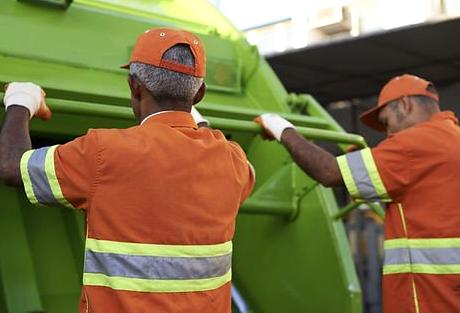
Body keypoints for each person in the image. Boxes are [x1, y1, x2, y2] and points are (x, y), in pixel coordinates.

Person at [0, 27, 254, 313]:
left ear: (134, 86)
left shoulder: (102, 151)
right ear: (200, 94)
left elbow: (11, 166)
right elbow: (243, 167)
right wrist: (196, 120)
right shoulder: (232, 159)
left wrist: (21, 101)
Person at [255, 74, 460, 313]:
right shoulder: (451, 139)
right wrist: (365, 162)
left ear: (405, 104)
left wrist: (283, 130)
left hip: (427, 301)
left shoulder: (415, 144)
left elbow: (330, 173)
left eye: (386, 122)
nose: (388, 134)